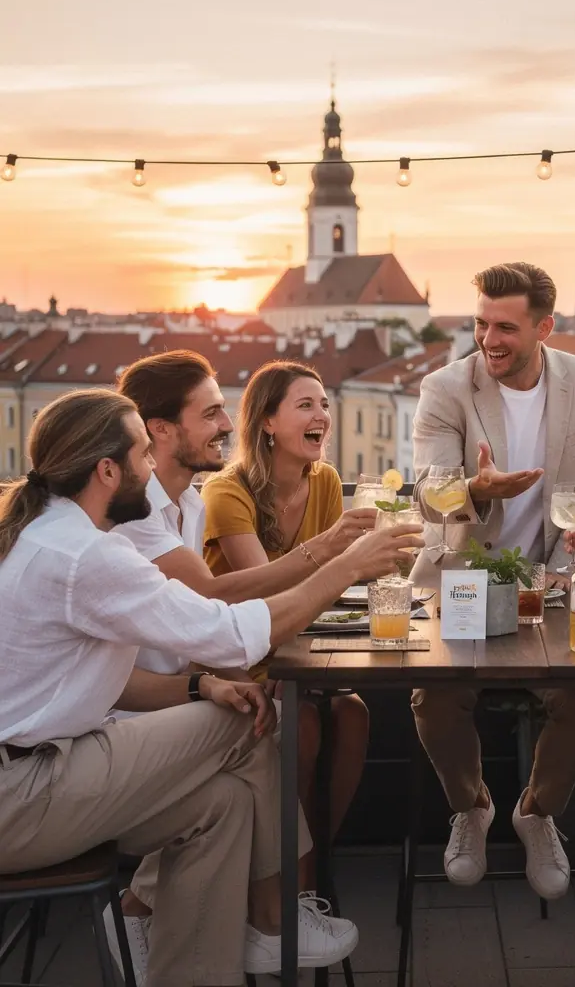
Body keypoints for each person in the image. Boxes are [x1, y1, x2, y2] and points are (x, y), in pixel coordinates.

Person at [0, 389, 422, 987]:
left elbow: (89, 682)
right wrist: (347, 566)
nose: (151, 472)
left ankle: (191, 959)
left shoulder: (44, 533)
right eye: (144, 456)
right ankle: (275, 917)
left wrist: (200, 686)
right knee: (244, 730)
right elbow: (232, 634)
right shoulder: (87, 557)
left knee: (223, 806)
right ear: (107, 471)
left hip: (35, 774)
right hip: (20, 796)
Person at [108, 350, 377, 982]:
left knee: (258, 745)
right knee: (263, 730)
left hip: (173, 691)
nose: (227, 424)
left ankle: (139, 909)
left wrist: (211, 681)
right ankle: (273, 913)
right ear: (160, 431)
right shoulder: (140, 509)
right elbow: (218, 597)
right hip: (123, 713)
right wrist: (335, 556)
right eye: (211, 413)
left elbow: (208, 623)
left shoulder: (189, 505)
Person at [410, 261, 575, 900]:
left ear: (544, 327)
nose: (488, 339)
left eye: (505, 326)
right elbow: (427, 493)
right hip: (465, 580)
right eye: (480, 323)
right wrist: (474, 487)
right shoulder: (445, 388)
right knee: (433, 698)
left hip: (553, 583)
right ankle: (471, 809)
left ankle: (536, 811)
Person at [201, 361, 374, 890]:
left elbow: (319, 593)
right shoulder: (227, 491)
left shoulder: (323, 481)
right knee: (305, 724)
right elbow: (265, 590)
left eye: (324, 404)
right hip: (236, 656)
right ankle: (287, 885)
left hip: (297, 646)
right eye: (306, 405)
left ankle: (312, 863)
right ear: (267, 423)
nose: (322, 414)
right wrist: (336, 547)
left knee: (354, 714)